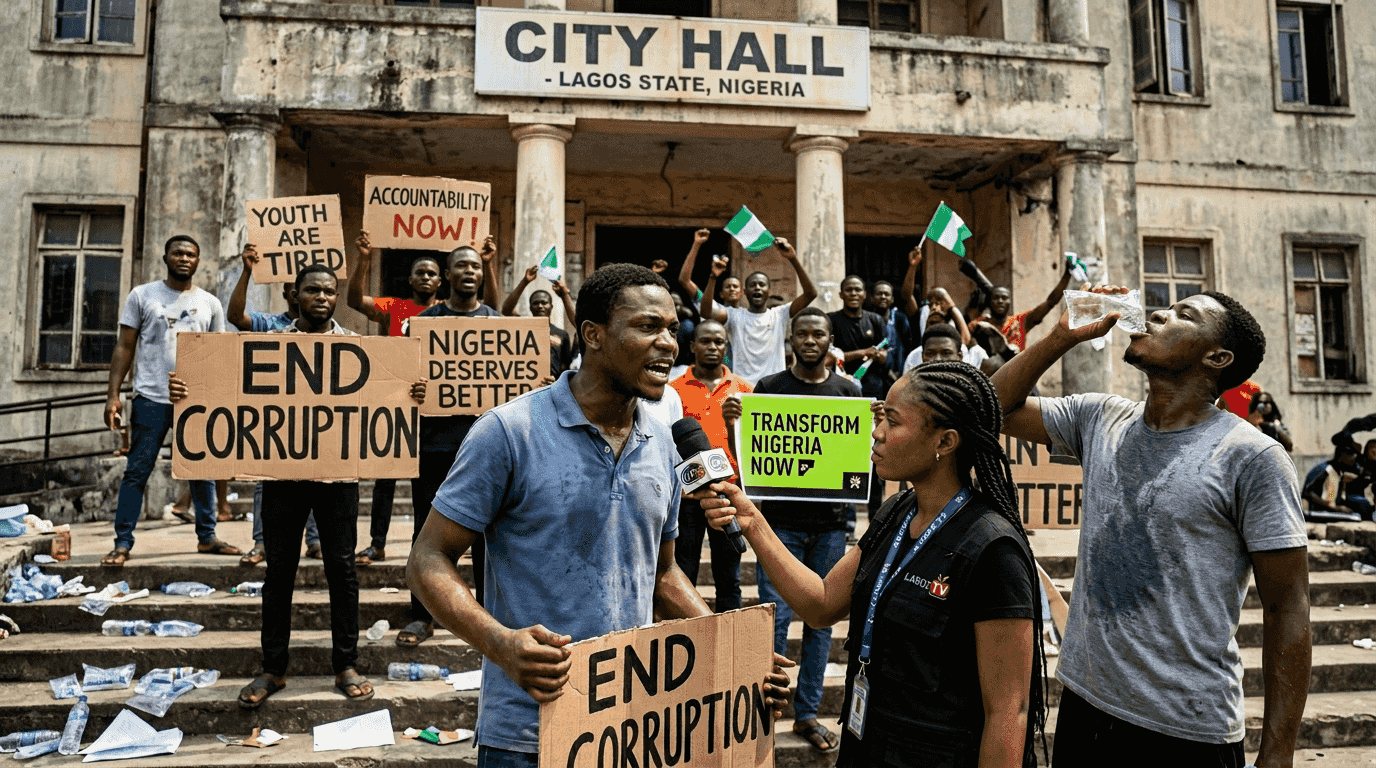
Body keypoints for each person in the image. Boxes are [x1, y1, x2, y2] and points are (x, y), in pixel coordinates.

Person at [406, 263, 790, 767]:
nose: (669, 344)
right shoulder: (508, 431)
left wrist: (737, 656)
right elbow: (428, 559)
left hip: (628, 730)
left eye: (673, 329)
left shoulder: (664, 445)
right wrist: (502, 645)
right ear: (593, 335)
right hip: (527, 735)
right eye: (648, 327)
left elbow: (664, 575)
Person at [990, 287, 1311, 767]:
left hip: (1185, 728)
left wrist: (1278, 752)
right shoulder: (1101, 417)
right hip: (1084, 705)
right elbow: (990, 407)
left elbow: (1288, 606)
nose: (1159, 313)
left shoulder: (1253, 457)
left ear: (1216, 357)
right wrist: (1059, 338)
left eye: (1185, 314)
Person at [707, 360, 1044, 767]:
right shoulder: (896, 514)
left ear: (946, 441)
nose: (877, 433)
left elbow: (1010, 710)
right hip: (865, 745)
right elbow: (821, 604)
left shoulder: (994, 550)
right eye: (880, 418)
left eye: (894, 422)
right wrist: (751, 522)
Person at [170, 264, 427, 709]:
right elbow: (225, 383)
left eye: (329, 290)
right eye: (313, 290)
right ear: (295, 295)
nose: (323, 297)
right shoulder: (270, 345)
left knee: (342, 572)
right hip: (283, 479)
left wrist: (411, 393)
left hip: (338, 480)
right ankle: (273, 667)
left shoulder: (355, 348)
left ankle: (346, 664)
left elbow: (387, 395)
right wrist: (187, 390)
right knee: (279, 574)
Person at [722, 307, 861, 754]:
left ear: (828, 340)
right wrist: (732, 422)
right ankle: (766, 710)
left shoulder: (849, 392)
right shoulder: (769, 389)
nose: (809, 340)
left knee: (822, 625)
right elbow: (751, 452)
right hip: (778, 524)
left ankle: (806, 713)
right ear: (791, 340)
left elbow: (863, 460)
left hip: (830, 528)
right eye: (801, 333)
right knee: (775, 619)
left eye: (817, 333)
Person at [101, 235, 240, 566]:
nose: (184, 258)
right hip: (151, 396)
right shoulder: (143, 295)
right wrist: (113, 395)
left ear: (198, 260)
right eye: (178, 253)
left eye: (191, 254)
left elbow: (218, 354)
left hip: (196, 400)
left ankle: (207, 537)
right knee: (138, 470)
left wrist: (218, 394)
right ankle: (122, 543)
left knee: (202, 469)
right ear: (165, 257)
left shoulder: (210, 303)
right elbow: (124, 346)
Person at [396, 237, 503, 647]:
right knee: (428, 532)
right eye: (461, 266)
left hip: (489, 447)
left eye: (475, 266)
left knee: (489, 537)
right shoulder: (423, 325)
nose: (469, 272)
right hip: (434, 445)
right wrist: (414, 389)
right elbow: (399, 382)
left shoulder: (499, 324)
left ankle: (486, 616)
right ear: (448, 275)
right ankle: (422, 615)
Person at [346, 231, 443, 568]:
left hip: (434, 409)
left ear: (441, 280)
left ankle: (433, 546)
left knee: (430, 486)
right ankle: (377, 544)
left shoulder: (449, 314)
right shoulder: (394, 308)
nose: (426, 277)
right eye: (421, 272)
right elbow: (355, 301)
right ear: (411, 278)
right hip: (394, 404)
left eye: (432, 272)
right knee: (385, 478)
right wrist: (364, 261)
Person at [226, 243, 321, 566]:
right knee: (264, 485)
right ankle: (261, 542)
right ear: (288, 295)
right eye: (294, 290)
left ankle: (316, 540)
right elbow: (235, 317)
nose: (300, 295)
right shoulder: (269, 324)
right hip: (276, 422)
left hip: (319, 419)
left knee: (318, 479)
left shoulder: (331, 332)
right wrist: (247, 271)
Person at [669, 319, 750, 611]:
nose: (713, 347)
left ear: (726, 347)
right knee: (685, 570)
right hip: (687, 496)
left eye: (719, 342)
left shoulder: (744, 390)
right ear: (692, 347)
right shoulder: (672, 390)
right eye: (706, 341)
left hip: (728, 493)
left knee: (729, 578)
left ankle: (731, 642)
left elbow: (754, 446)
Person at [700, 238, 817, 386]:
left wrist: (792, 258)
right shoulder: (734, 316)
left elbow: (810, 294)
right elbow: (705, 312)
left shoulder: (779, 314)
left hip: (774, 388)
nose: (757, 288)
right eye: (752, 285)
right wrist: (713, 277)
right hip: (743, 388)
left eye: (762, 285)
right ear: (745, 292)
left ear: (769, 291)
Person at [977, 260, 1072, 353]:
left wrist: (1067, 275)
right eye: (996, 298)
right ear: (988, 301)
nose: (1000, 301)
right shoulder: (979, 324)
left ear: (1009, 301)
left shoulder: (1021, 321)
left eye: (1004, 298)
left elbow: (1050, 302)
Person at [501, 262, 574, 377]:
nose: (540, 306)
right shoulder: (523, 328)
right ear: (530, 307)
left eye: (544, 303)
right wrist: (525, 281)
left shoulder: (562, 334)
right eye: (535, 303)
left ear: (551, 307)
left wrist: (564, 294)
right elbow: (506, 310)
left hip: (552, 387)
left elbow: (566, 366)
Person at [829, 276, 891, 399]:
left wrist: (881, 356)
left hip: (872, 387)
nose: (853, 294)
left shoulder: (876, 320)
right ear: (841, 294)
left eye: (858, 290)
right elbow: (829, 358)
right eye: (849, 290)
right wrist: (861, 353)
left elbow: (886, 353)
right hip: (840, 385)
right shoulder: (831, 320)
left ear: (864, 294)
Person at [1301, 441, 1366, 522]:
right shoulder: (1325, 469)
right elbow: (1307, 493)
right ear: (1343, 455)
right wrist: (1334, 508)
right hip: (1319, 514)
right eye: (1352, 455)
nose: (1355, 459)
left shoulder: (1340, 472)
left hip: (1332, 513)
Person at [904, 321, 989, 373]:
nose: (937, 360)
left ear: (959, 357)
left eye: (946, 353)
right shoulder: (910, 390)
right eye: (930, 354)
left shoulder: (972, 390)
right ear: (923, 357)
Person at [869, 280, 911, 384]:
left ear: (892, 299)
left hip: (898, 375)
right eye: (879, 294)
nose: (883, 297)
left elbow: (908, 344)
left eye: (886, 294)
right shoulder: (866, 319)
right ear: (872, 298)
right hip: (874, 377)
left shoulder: (899, 318)